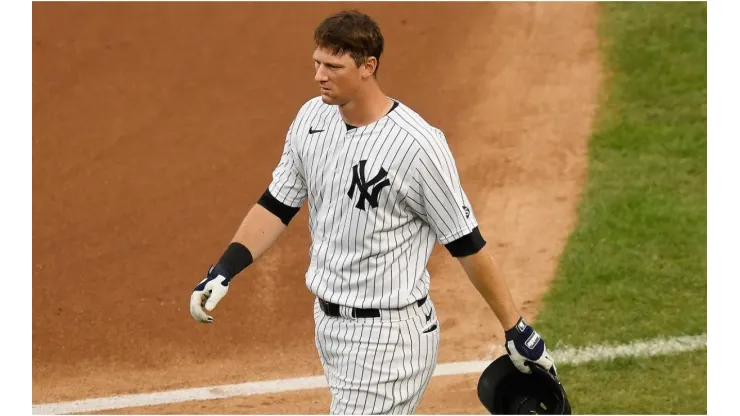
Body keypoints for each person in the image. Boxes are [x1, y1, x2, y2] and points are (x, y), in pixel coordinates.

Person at [190, 9, 556, 415]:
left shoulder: (417, 147)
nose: (319, 76)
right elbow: (277, 204)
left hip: (390, 337)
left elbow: (467, 243)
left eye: (333, 66)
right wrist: (224, 268)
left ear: (368, 67)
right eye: (317, 63)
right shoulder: (312, 119)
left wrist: (515, 327)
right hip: (329, 325)